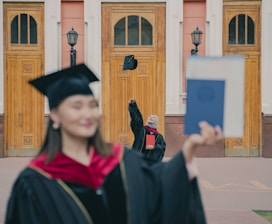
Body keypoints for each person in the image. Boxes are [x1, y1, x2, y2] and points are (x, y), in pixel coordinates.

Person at [5, 63, 224, 224]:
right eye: (76, 106)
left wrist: (190, 148)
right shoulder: (34, 182)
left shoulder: (120, 159)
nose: (88, 113)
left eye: (92, 105)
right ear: (54, 115)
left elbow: (161, 184)